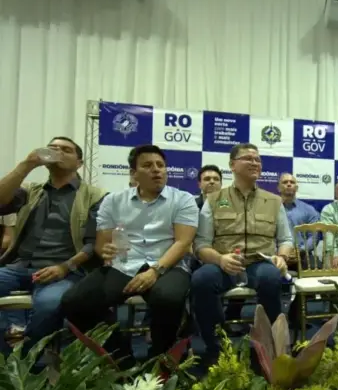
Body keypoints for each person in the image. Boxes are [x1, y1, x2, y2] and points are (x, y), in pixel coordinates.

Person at [60, 145, 198, 361]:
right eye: (148, 165)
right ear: (134, 173)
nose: (156, 170)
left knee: (168, 298)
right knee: (75, 302)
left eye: (161, 166)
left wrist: (155, 271)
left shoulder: (183, 199)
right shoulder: (113, 201)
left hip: (168, 264)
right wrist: (105, 251)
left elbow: (183, 242)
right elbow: (102, 243)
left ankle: (160, 359)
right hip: (124, 264)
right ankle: (120, 356)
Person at [0, 138, 104, 353]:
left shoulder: (95, 196)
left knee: (49, 305)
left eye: (66, 150)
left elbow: (92, 244)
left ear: (79, 163)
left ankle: (31, 366)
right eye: (53, 148)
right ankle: (6, 358)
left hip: (65, 270)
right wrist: (26, 165)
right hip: (19, 267)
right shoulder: (31, 191)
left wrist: (64, 267)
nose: (57, 152)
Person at [191, 143, 292, 361]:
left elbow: (286, 239)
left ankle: (268, 347)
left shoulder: (274, 201)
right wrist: (220, 259)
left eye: (258, 159)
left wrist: (282, 257)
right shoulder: (214, 199)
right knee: (201, 279)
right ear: (232, 165)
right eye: (248, 158)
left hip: (259, 261)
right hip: (223, 262)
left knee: (271, 278)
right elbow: (201, 244)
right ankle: (216, 346)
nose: (255, 163)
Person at [278, 173, 319, 268]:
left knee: (316, 268)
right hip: (277, 254)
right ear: (279, 188)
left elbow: (314, 237)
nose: (289, 184)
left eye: (292, 182)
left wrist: (300, 250)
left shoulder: (309, 210)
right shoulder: (271, 208)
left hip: (303, 255)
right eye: (285, 182)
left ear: (296, 188)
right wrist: (282, 252)